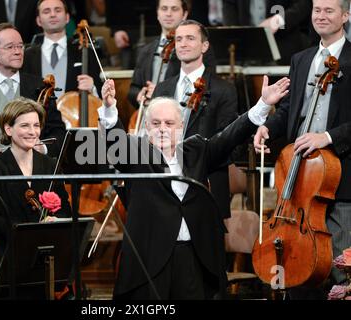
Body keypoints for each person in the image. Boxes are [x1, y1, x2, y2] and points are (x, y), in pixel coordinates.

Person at [99, 72, 289, 299]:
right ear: (147, 127)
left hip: (193, 256)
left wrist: (262, 105)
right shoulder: (135, 154)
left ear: (180, 127)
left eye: (169, 123)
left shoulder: (197, 150)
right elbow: (115, 146)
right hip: (150, 259)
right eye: (156, 123)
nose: (162, 129)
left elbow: (230, 136)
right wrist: (110, 109)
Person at [253, 0, 351, 298]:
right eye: (317, 10)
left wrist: (328, 137)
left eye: (329, 10)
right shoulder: (301, 58)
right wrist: (267, 128)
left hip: (341, 181)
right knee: (299, 278)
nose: (321, 16)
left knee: (340, 270)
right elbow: (289, 111)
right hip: (299, 183)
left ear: (346, 16)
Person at [0, 97, 71, 299]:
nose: (32, 131)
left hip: (42, 262)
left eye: (36, 125)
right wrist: (20, 231)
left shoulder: (49, 165)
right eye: (25, 125)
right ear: (8, 129)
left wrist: (56, 219)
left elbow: (65, 208)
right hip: (7, 258)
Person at [152, 19, 238, 220]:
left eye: (190, 38)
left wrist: (197, 159)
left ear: (204, 46)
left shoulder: (224, 90)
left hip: (206, 187)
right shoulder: (162, 88)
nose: (183, 44)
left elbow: (231, 145)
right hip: (165, 188)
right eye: (179, 39)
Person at [0, 23, 66, 178]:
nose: (18, 51)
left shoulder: (41, 86)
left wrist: (42, 148)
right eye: (10, 47)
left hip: (34, 172)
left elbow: (59, 133)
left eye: (20, 46)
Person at [128, 0, 217, 108]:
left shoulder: (199, 48)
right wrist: (140, 94)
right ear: (157, 13)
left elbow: (207, 86)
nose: (168, 13)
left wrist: (160, 92)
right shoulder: (145, 51)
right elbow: (133, 88)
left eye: (174, 9)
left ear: (184, 14)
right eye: (164, 9)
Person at [22, 0, 102, 98]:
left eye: (58, 10)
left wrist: (93, 88)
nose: (52, 15)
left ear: (67, 18)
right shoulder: (27, 56)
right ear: (38, 20)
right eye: (46, 11)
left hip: (74, 112)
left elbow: (101, 94)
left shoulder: (85, 52)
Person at [223, 0, 312, 64]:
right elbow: (229, 5)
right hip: (245, 53)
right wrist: (234, 33)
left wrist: (279, 20)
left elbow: (304, 3)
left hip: (283, 47)